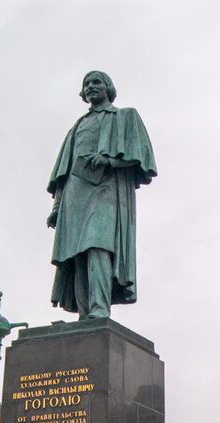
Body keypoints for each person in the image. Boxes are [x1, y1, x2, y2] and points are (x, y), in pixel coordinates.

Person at [46, 71, 157, 320]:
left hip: (105, 189)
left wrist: (108, 160)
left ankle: (99, 308)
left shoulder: (124, 116)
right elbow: (63, 171)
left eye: (96, 82)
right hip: (75, 193)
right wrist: (56, 206)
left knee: (98, 245)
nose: (91, 87)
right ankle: (85, 314)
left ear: (108, 87)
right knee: (78, 254)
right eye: (86, 84)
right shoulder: (77, 127)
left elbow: (142, 156)